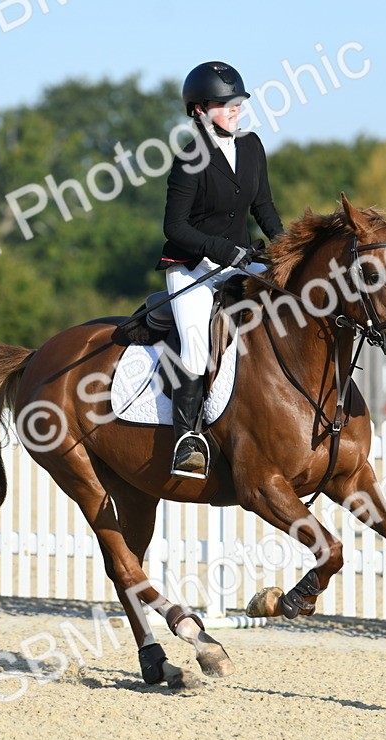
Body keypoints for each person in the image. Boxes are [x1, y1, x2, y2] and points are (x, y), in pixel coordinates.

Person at [158, 60, 285, 479]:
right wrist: (220, 249)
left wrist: (285, 248)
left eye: (238, 102)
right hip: (192, 268)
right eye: (224, 103)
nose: (235, 109)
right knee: (196, 347)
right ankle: (187, 440)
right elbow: (174, 226)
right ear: (198, 110)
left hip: (240, 262)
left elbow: (263, 206)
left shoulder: (251, 147)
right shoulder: (189, 157)